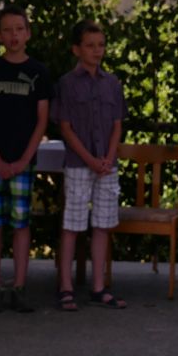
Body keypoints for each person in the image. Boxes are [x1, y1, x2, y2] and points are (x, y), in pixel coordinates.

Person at [0, 5, 52, 314]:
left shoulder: (39, 73)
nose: (14, 35)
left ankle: (19, 287)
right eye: (7, 30)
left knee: (21, 224)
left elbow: (42, 121)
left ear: (28, 33)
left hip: (24, 162)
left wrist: (23, 160)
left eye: (19, 29)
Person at [52, 20, 127, 310]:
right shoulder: (67, 84)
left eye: (101, 45)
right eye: (90, 45)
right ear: (77, 49)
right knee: (72, 224)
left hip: (107, 165)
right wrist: (90, 159)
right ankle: (66, 286)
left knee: (102, 225)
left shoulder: (112, 83)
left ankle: (98, 286)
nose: (97, 51)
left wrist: (107, 157)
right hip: (79, 164)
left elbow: (117, 125)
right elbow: (66, 127)